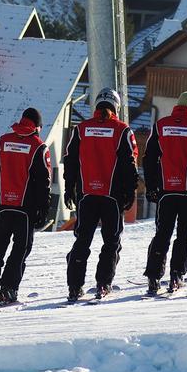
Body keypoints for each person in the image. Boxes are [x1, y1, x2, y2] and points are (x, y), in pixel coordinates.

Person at [63, 88, 138, 300]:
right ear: (116, 107)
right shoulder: (123, 130)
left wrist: (70, 187)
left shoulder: (81, 129)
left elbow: (70, 160)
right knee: (111, 242)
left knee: (82, 241)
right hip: (111, 197)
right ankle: (103, 284)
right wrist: (130, 191)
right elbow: (129, 163)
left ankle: (74, 287)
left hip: (87, 195)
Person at [0, 107, 52, 307]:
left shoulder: (2, 141)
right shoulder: (39, 147)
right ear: (38, 127)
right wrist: (42, 210)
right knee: (20, 251)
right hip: (25, 211)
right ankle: (8, 290)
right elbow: (43, 183)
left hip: (3, 207)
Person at [142, 91, 187, 294]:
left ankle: (153, 277)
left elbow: (149, 158)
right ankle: (176, 276)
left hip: (165, 190)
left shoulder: (160, 126)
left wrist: (152, 186)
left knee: (162, 234)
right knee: (184, 235)